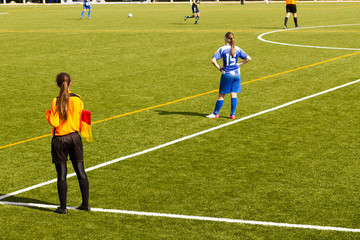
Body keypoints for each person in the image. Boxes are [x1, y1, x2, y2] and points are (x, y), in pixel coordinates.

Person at [45, 73, 90, 214]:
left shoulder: (56, 101)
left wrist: (47, 114)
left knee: (62, 174)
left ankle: (63, 207)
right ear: (70, 83)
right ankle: (85, 204)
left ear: (58, 84)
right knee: (80, 170)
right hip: (75, 138)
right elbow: (84, 116)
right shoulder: (78, 99)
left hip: (60, 139)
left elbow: (54, 122)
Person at [206, 32, 251, 120]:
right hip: (237, 74)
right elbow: (248, 58)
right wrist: (239, 64)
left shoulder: (222, 49)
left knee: (221, 95)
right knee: (233, 94)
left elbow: (213, 60)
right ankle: (232, 114)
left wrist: (219, 68)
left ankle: (215, 113)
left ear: (226, 39)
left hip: (227, 74)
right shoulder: (237, 48)